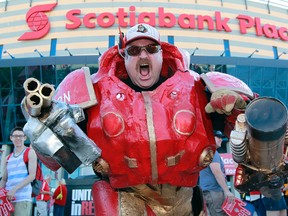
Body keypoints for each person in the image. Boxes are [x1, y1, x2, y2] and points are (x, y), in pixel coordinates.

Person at [22, 23, 259, 215]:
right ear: (123, 56)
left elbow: (259, 144)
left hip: (186, 200)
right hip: (123, 200)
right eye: (134, 50)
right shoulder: (91, 89)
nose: (143, 54)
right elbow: (57, 160)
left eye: (151, 49)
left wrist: (237, 112)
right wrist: (41, 127)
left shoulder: (198, 87)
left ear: (162, 53)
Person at [0, 126, 37, 216]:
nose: (18, 138)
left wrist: (14, 190)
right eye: (15, 136)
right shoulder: (8, 158)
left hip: (22, 199)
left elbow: (32, 175)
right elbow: (4, 179)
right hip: (7, 200)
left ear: (25, 138)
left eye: (20, 136)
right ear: (11, 138)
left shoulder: (30, 152)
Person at [199, 130, 235, 215]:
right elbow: (217, 172)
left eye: (221, 137)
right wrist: (227, 191)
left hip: (208, 192)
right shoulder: (213, 152)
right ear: (211, 138)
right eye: (218, 137)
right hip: (214, 192)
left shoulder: (206, 151)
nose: (221, 140)